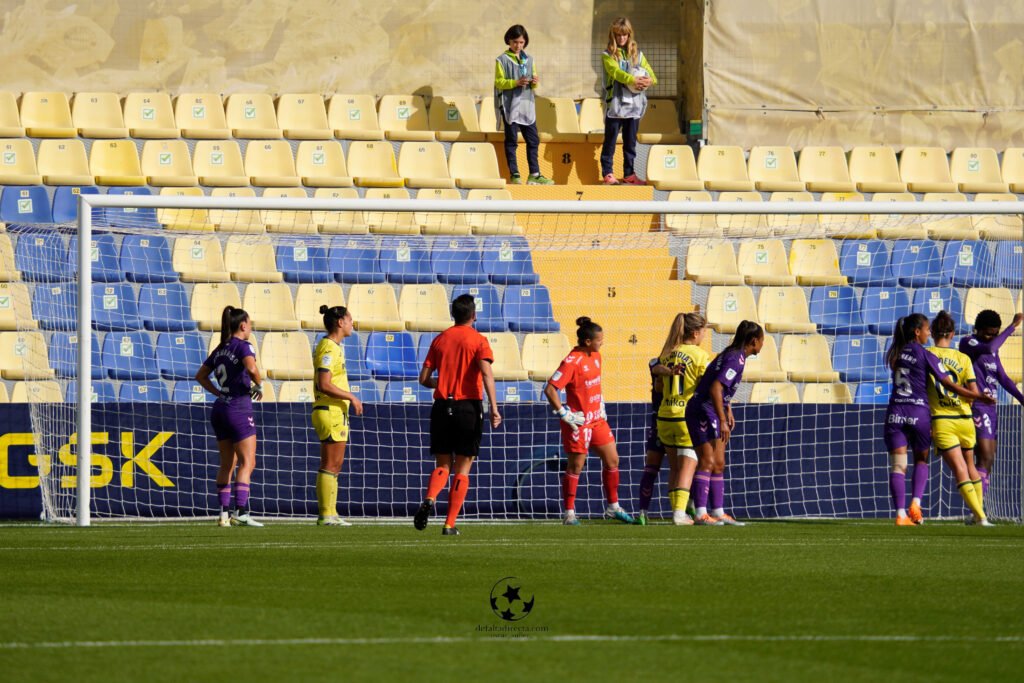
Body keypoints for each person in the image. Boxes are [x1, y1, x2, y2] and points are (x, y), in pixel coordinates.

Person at [883, 314, 994, 526]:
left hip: (897, 412)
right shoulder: (929, 355)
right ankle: (917, 504)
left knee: (898, 466)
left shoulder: (895, 353)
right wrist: (979, 396)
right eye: (925, 329)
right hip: (925, 413)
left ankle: (900, 515)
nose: (928, 333)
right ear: (918, 332)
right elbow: (949, 384)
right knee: (925, 461)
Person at [413, 294, 502, 535]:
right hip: (468, 408)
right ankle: (449, 524)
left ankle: (430, 497)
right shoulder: (478, 340)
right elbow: (486, 374)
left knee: (443, 464)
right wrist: (494, 408)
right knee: (463, 467)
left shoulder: (440, 339)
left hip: (442, 406)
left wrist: (443, 384)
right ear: (474, 315)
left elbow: (423, 379)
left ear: (453, 315)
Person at [545, 317, 634, 526]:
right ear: (587, 341)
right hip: (579, 422)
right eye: (599, 340)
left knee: (613, 460)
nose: (602, 342)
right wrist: (564, 413)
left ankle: (613, 507)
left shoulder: (596, 356)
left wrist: (600, 403)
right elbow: (550, 389)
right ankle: (569, 513)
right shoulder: (571, 361)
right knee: (576, 466)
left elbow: (594, 385)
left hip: (597, 420)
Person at [685, 321, 762, 526]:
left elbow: (718, 385)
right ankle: (700, 513)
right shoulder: (735, 359)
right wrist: (722, 419)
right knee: (707, 461)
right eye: (762, 340)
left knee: (719, 463)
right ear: (754, 341)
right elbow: (715, 388)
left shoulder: (733, 354)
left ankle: (718, 511)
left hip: (713, 409)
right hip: (703, 410)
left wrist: (727, 409)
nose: (762, 344)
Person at [194, 306, 264, 527]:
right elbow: (251, 368)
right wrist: (259, 384)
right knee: (247, 462)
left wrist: (217, 392)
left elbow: (200, 375)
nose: (250, 328)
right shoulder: (244, 346)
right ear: (243, 325)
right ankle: (241, 511)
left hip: (220, 408)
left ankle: (223, 514)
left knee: (227, 463)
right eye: (250, 324)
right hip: (238, 407)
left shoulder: (221, 348)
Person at [639, 312, 709, 526]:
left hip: (665, 415)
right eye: (704, 331)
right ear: (695, 333)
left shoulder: (668, 354)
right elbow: (706, 387)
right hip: (685, 416)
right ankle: (679, 514)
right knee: (688, 467)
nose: (705, 335)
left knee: (675, 468)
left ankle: (678, 511)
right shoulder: (700, 355)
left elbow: (659, 387)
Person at [926, 310, 991, 526]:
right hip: (965, 418)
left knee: (959, 468)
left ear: (932, 333)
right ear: (952, 334)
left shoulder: (926, 355)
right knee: (970, 465)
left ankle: (980, 516)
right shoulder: (963, 358)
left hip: (942, 420)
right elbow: (973, 392)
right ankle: (978, 514)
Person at [959, 310, 1024, 504]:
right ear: (978, 329)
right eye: (988, 333)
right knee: (984, 456)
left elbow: (1003, 378)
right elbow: (989, 348)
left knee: (988, 460)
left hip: (991, 409)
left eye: (995, 334)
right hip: (976, 405)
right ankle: (976, 507)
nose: (992, 337)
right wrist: (1012, 327)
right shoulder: (969, 342)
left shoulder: (992, 350)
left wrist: (1021, 398)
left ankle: (977, 507)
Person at [312, 305, 364, 527]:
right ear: (340, 322)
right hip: (330, 410)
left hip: (334, 411)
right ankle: (326, 514)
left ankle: (331, 513)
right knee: (331, 463)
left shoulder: (333, 347)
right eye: (350, 320)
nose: (353, 324)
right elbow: (324, 384)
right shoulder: (329, 348)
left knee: (336, 464)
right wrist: (351, 396)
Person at [494, 24, 553, 186]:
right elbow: (499, 82)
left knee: (533, 140)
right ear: (508, 41)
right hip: (510, 106)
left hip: (527, 106)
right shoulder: (501, 60)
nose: (518, 45)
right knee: (512, 141)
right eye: (515, 42)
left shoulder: (529, 59)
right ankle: (515, 175)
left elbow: (534, 82)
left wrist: (534, 81)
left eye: (521, 42)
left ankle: (534, 174)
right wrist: (515, 82)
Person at [600, 16, 656, 185]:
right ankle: (608, 173)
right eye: (618, 35)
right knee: (610, 141)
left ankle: (629, 174)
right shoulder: (607, 55)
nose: (621, 38)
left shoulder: (638, 55)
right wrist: (632, 80)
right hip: (616, 106)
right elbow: (616, 73)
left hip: (634, 107)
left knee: (630, 143)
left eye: (624, 35)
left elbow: (652, 75)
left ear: (629, 35)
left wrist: (649, 81)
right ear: (613, 35)